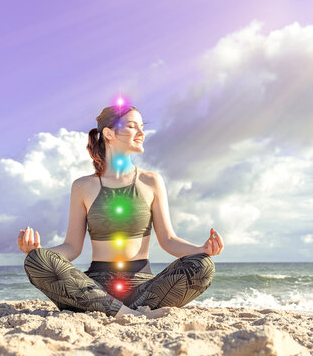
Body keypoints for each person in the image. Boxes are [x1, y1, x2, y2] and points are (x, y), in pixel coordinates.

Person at [18, 103, 224, 319]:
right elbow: (72, 247)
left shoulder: (151, 181)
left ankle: (121, 311)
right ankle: (129, 313)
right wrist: (39, 252)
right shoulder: (83, 186)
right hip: (93, 289)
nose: (141, 133)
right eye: (132, 126)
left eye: (142, 126)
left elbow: (169, 240)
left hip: (144, 290)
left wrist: (202, 249)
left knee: (203, 265)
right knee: (35, 260)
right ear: (108, 133)